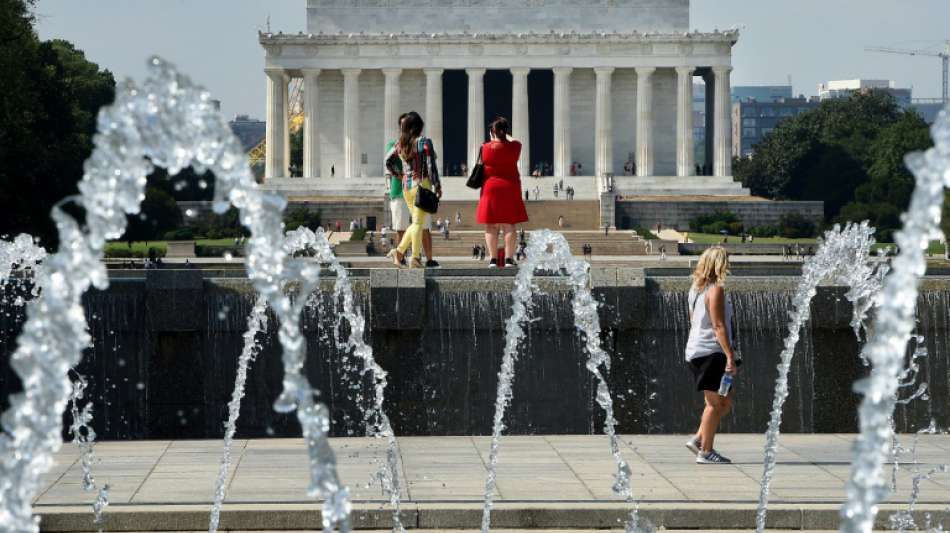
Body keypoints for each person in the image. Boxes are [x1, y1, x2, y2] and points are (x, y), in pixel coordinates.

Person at [685, 247, 737, 464]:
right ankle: (706, 452)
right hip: (711, 352)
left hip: (699, 351)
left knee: (724, 404)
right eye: (726, 261)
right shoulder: (715, 290)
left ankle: (699, 438)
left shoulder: (695, 290)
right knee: (714, 404)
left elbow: (692, 321)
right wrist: (730, 356)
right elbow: (718, 325)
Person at [385, 111, 442, 269]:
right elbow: (431, 166)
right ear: (418, 127)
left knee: (417, 223)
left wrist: (400, 175)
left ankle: (404, 254)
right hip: (421, 186)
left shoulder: (400, 144)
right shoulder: (424, 142)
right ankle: (412, 257)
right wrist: (437, 185)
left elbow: (387, 161)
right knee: (418, 223)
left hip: (406, 188)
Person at [475, 117, 529, 268]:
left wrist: (493, 137)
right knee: (509, 224)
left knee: (491, 225)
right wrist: (505, 135)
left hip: (490, 188)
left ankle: (492, 259)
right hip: (510, 187)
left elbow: (484, 158)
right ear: (506, 131)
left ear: (492, 131)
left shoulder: (485, 148)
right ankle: (509, 259)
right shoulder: (515, 147)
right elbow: (515, 141)